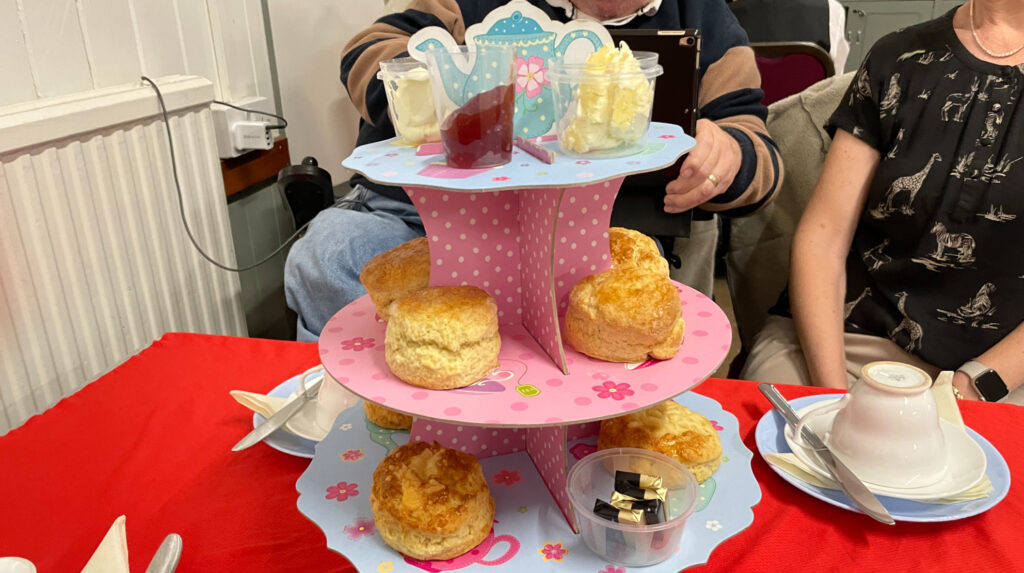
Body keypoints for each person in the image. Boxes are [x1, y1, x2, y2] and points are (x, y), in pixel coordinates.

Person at [285, 0, 783, 342]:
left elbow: (759, 151)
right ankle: (393, 413)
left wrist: (729, 156)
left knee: (627, 313)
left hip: (606, 231)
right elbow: (370, 47)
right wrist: (438, 89)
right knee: (329, 255)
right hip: (436, 217)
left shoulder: (704, 16)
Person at [741, 0, 1024, 404]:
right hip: (849, 339)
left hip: (1001, 370)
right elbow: (823, 238)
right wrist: (834, 398)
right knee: (768, 433)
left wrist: (969, 389)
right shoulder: (899, 56)